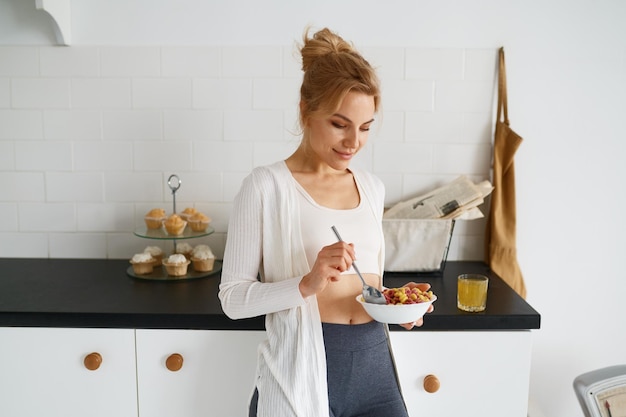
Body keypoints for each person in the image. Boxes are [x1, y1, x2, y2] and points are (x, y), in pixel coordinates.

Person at [219, 27, 433, 417]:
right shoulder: (266, 187)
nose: (353, 141)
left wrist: (396, 301)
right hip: (299, 375)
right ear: (305, 109)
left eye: (365, 127)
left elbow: (364, 282)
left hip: (375, 371)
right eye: (340, 124)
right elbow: (232, 299)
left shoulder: (371, 187)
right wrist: (306, 284)